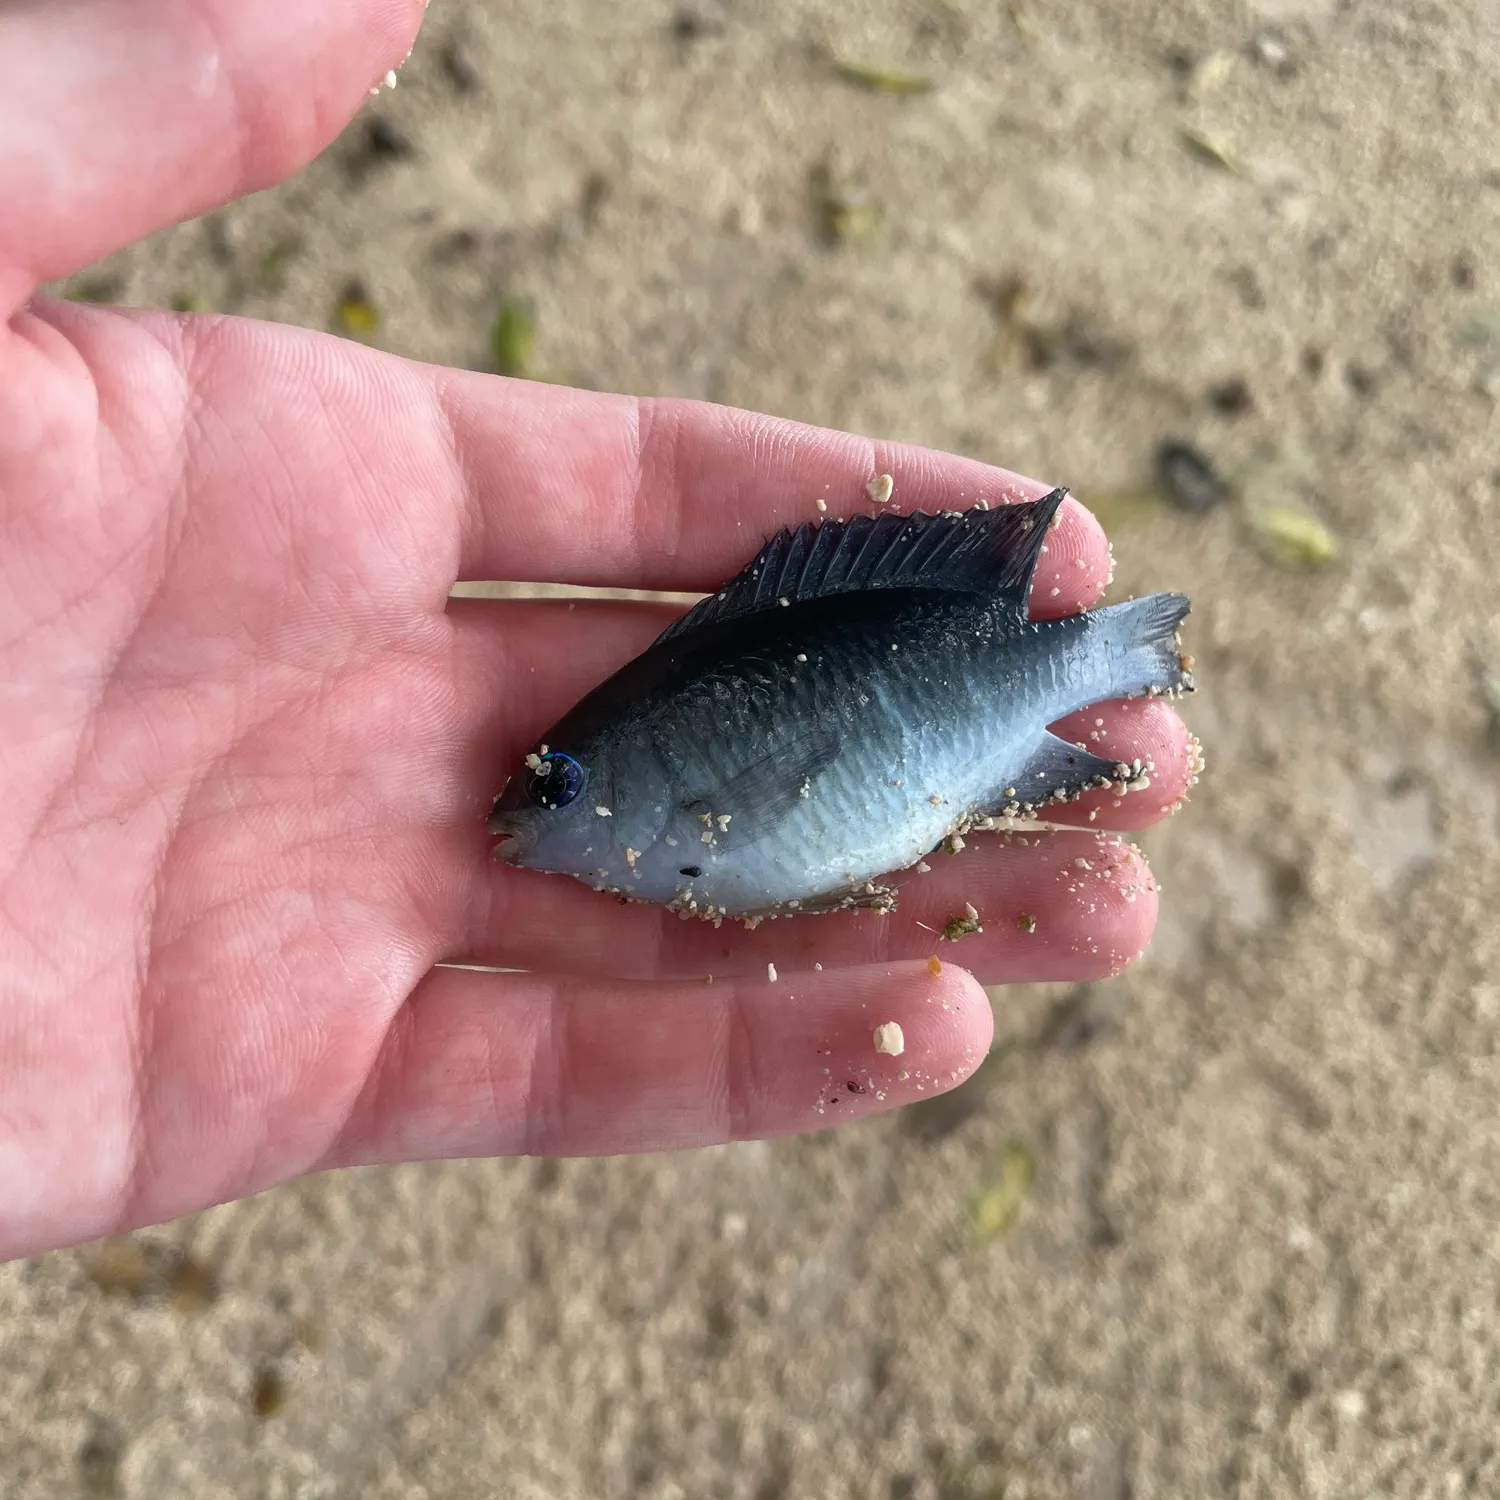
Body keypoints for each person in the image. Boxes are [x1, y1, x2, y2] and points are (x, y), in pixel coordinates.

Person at [0, 0, 1193, 1262]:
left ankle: (1103, 656)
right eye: (548, 776)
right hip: (931, 722)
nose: (529, 803)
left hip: (947, 705)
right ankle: (1104, 660)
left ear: (626, 775)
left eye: (554, 775)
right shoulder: (638, 804)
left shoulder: (648, 791)